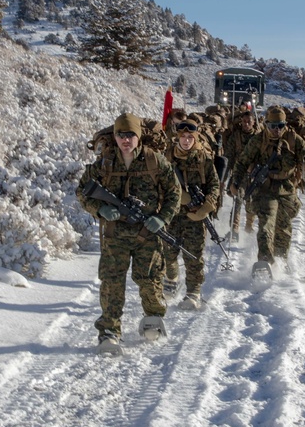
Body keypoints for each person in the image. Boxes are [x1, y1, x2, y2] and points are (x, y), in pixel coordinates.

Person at [77, 112, 181, 352]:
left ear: (139, 136)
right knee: (112, 283)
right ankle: (109, 331)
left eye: (131, 135)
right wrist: (100, 208)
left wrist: (162, 218)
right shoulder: (104, 163)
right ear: (114, 136)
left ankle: (153, 318)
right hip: (115, 236)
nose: (126, 140)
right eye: (121, 135)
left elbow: (174, 193)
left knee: (150, 279)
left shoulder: (155, 161)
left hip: (147, 233)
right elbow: (83, 192)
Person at [228, 105, 305, 270]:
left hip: (287, 187)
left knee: (283, 227)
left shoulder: (293, 139)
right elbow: (242, 162)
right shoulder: (258, 140)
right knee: (266, 224)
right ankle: (264, 262)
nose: (277, 130)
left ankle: (280, 261)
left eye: (280, 126)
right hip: (265, 188)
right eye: (273, 126)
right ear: (266, 124)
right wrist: (236, 182)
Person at [162, 116, 220, 309]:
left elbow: (214, 185)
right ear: (177, 137)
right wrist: (179, 197)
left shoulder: (204, 158)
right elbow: (157, 183)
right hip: (170, 213)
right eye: (183, 136)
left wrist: (206, 207)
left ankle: (193, 292)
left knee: (194, 255)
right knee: (168, 252)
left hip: (195, 215)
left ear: (195, 138)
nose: (186, 140)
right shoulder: (166, 157)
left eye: (190, 137)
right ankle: (171, 277)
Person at [223, 108, 262, 238]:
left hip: (253, 174)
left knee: (251, 202)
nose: (246, 124)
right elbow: (228, 155)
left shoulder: (258, 137)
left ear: (253, 122)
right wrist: (225, 175)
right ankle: (234, 229)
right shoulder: (236, 137)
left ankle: (249, 226)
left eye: (249, 122)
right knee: (237, 201)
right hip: (238, 173)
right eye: (244, 121)